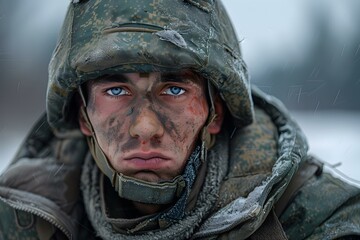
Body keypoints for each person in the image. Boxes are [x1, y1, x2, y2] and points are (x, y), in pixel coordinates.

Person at [0, 0, 359, 239]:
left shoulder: (313, 217)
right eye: (115, 91)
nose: (145, 128)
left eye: (174, 90)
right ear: (83, 116)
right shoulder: (22, 215)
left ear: (215, 113)